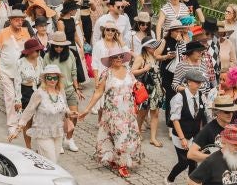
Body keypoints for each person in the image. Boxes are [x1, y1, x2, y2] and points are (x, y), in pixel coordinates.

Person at [78, 48, 143, 177]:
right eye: (115, 56)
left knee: (127, 136)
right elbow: (98, 93)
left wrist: (138, 86)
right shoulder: (106, 73)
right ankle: (122, 164)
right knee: (118, 136)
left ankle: (117, 159)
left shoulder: (128, 71)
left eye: (121, 56)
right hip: (113, 111)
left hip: (128, 111)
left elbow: (135, 83)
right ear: (110, 59)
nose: (119, 59)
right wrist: (87, 109)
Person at [10, 64, 69, 162]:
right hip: (43, 133)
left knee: (54, 162)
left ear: (58, 79)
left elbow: (64, 107)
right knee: (51, 161)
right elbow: (28, 111)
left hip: (58, 132)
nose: (52, 80)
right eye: (49, 77)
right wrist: (18, 129)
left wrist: (70, 113)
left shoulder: (60, 91)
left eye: (55, 78)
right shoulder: (39, 93)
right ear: (45, 79)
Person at [165, 68, 209, 185]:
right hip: (181, 134)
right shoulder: (179, 97)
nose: (199, 84)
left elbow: (203, 116)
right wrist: (182, 138)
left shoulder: (201, 96)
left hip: (195, 135)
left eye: (200, 82)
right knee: (184, 162)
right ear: (189, 82)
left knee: (193, 162)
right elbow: (175, 119)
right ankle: (169, 179)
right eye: (196, 82)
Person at [0, 8, 31, 123]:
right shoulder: (3, 33)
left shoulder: (25, 32)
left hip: (21, 72)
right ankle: (12, 124)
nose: (20, 22)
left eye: (21, 20)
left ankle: (19, 118)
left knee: (19, 96)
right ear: (11, 20)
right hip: (5, 71)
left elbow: (30, 51)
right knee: (10, 97)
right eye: (17, 20)